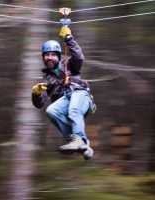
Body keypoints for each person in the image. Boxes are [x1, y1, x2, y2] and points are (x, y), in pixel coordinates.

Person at [31, 26, 96, 160]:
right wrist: (36, 94)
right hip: (67, 103)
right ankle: (80, 143)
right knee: (51, 110)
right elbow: (40, 104)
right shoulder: (46, 80)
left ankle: (79, 140)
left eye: (53, 55)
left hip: (81, 96)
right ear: (43, 58)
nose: (50, 58)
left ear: (59, 56)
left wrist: (68, 39)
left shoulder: (69, 64)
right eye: (47, 55)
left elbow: (79, 57)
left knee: (73, 109)